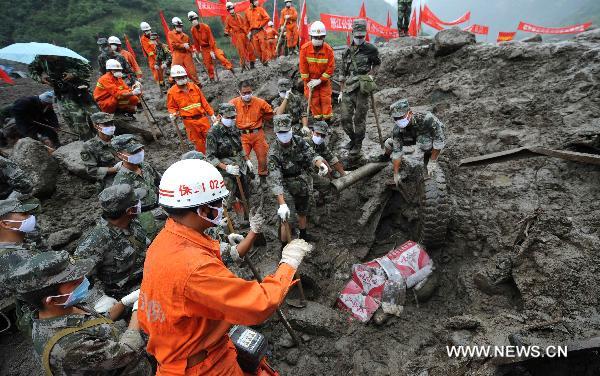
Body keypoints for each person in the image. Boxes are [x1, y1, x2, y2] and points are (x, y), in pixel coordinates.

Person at [138, 158, 311, 375]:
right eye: (218, 203)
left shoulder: (164, 241)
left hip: (180, 351)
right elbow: (259, 304)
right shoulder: (194, 268)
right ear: (202, 210)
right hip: (204, 367)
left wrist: (219, 247)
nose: (223, 207)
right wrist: (288, 264)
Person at [8, 250, 152, 375]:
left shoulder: (66, 308)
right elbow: (125, 352)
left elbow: (98, 323)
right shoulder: (68, 347)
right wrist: (137, 310)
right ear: (51, 300)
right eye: (74, 282)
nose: (83, 280)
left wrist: (123, 303)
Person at [75, 184, 149, 300]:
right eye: (136, 202)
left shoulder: (132, 222)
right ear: (130, 210)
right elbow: (77, 280)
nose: (139, 203)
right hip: (125, 295)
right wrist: (100, 300)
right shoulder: (95, 242)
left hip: (148, 276)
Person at [268, 114, 328, 241]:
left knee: (303, 211)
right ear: (276, 133)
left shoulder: (298, 140)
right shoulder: (274, 152)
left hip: (301, 180)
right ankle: (284, 247)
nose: (284, 135)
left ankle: (304, 235)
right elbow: (275, 179)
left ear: (291, 129)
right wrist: (282, 203)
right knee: (287, 219)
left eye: (286, 131)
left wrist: (320, 164)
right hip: (284, 185)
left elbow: (310, 154)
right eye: (281, 132)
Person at [29, 55, 98, 140]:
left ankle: (104, 137)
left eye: (49, 57)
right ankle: (89, 142)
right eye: (44, 57)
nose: (47, 59)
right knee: (78, 121)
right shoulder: (40, 59)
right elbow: (31, 70)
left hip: (80, 89)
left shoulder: (68, 56)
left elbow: (88, 69)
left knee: (96, 116)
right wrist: (41, 79)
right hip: (63, 94)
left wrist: (73, 74)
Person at [0, 198, 43, 333]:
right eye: (24, 215)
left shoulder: (20, 244)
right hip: (40, 319)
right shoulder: (11, 257)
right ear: (5, 223)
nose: (31, 218)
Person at [340, 18, 381, 155]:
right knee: (345, 118)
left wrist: (371, 75)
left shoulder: (371, 49)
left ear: (365, 34)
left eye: (362, 36)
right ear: (352, 33)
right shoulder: (346, 51)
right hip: (348, 87)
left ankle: (358, 144)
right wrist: (341, 90)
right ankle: (352, 139)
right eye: (357, 36)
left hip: (363, 88)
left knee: (359, 118)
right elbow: (342, 71)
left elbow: (377, 64)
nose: (359, 38)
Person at [382, 99, 446, 186]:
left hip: (426, 134)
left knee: (425, 144)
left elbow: (439, 139)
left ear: (410, 113)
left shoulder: (427, 118)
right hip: (410, 137)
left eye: (401, 117)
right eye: (396, 118)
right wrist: (396, 174)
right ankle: (385, 158)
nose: (399, 120)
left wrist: (432, 161)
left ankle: (427, 159)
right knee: (388, 143)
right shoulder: (397, 129)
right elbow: (397, 152)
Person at [111, 134, 162, 239]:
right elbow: (122, 215)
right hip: (147, 222)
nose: (139, 153)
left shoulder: (145, 166)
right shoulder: (121, 182)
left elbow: (159, 183)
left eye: (140, 149)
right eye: (133, 152)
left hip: (163, 210)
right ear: (120, 155)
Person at [206, 103, 254, 213]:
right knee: (230, 189)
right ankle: (233, 212)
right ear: (219, 116)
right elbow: (210, 156)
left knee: (246, 188)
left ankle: (247, 213)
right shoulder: (213, 133)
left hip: (239, 163)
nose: (232, 120)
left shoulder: (234, 127)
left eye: (233, 117)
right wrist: (226, 167)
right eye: (228, 117)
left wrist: (247, 160)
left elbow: (239, 147)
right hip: (224, 167)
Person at [229, 80, 273, 183]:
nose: (247, 95)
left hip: (257, 133)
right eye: (244, 93)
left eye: (249, 92)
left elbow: (270, 113)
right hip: (242, 135)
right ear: (239, 92)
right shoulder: (233, 103)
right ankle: (247, 176)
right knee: (243, 158)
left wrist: (264, 120)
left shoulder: (260, 102)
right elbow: (224, 115)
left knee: (262, 157)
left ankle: (263, 178)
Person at [167, 65, 216, 153]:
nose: (181, 79)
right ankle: (205, 159)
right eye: (178, 78)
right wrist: (173, 113)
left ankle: (215, 156)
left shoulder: (194, 87)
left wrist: (211, 114)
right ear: (174, 79)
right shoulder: (172, 92)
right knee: (199, 143)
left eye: (182, 77)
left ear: (186, 76)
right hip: (189, 122)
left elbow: (204, 102)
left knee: (211, 138)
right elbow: (171, 107)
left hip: (202, 118)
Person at [299, 21, 335, 122]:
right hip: (310, 81)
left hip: (323, 82)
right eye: (315, 37)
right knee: (314, 102)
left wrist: (320, 80)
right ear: (311, 37)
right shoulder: (304, 49)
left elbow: (330, 68)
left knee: (325, 100)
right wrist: (307, 81)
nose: (318, 40)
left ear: (324, 37)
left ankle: (327, 122)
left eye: (320, 37)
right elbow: (303, 67)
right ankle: (318, 122)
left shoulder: (328, 50)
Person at [188, 11, 235, 81]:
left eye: (194, 19)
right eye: (192, 20)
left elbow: (211, 39)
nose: (193, 21)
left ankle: (231, 69)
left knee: (220, 57)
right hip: (204, 49)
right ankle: (212, 78)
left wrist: (212, 51)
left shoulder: (206, 27)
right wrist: (199, 52)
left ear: (197, 19)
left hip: (212, 46)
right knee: (208, 64)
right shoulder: (193, 30)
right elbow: (196, 42)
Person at [80, 112, 119, 189]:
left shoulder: (119, 140)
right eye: (106, 124)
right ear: (96, 126)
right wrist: (115, 169)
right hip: (109, 177)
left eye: (112, 124)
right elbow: (92, 170)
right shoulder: (89, 146)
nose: (110, 127)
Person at [224, 1, 255, 70]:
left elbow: (244, 25)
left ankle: (252, 63)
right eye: (229, 9)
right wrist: (226, 32)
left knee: (251, 49)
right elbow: (227, 28)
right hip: (237, 36)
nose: (231, 10)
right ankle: (243, 65)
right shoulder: (228, 19)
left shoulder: (239, 16)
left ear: (233, 8)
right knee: (241, 52)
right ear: (228, 10)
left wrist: (248, 33)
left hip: (244, 34)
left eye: (231, 8)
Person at [168, 17, 199, 84]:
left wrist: (193, 52)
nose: (179, 27)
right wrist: (182, 45)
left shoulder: (186, 36)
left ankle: (197, 84)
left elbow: (189, 46)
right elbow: (173, 45)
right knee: (174, 69)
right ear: (174, 26)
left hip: (187, 54)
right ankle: (172, 84)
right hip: (177, 54)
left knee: (191, 71)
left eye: (180, 26)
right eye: (178, 26)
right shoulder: (170, 34)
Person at [245, 0, 271, 66]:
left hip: (260, 31)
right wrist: (248, 32)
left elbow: (267, 18)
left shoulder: (260, 9)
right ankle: (263, 61)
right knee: (257, 50)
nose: (257, 2)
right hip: (253, 33)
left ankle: (265, 62)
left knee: (263, 47)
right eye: (255, 1)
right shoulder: (247, 12)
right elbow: (246, 24)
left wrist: (260, 25)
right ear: (251, 2)